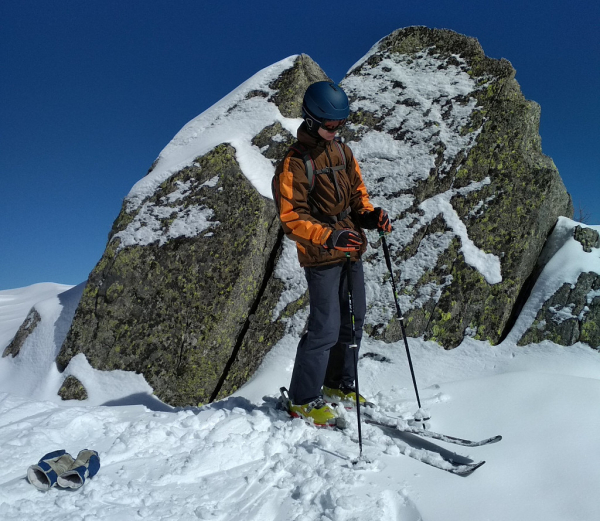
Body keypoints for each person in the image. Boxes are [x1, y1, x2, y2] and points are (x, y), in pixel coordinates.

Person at [274, 81, 392, 426]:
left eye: (341, 123)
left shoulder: (343, 151)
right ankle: (302, 399)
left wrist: (369, 216)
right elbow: (291, 217)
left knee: (353, 321)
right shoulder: (293, 163)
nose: (336, 129)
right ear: (311, 120)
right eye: (330, 125)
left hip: (349, 247)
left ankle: (338, 384)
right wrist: (328, 236)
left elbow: (357, 194)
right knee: (325, 328)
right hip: (321, 255)